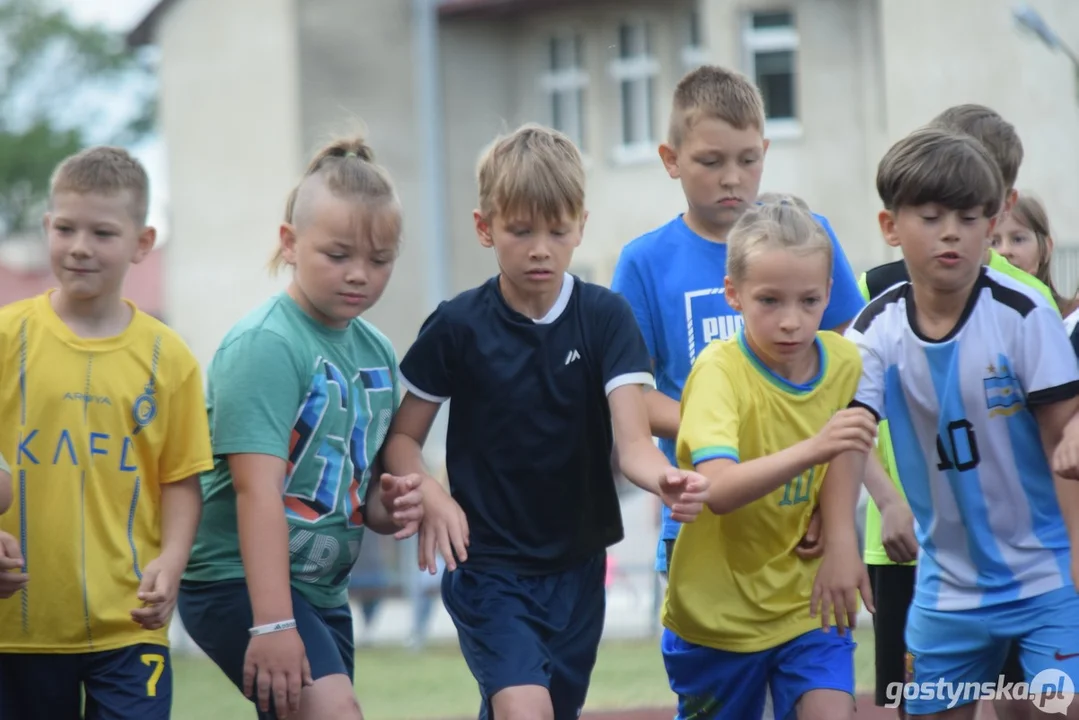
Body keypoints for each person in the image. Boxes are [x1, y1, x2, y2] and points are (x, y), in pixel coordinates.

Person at [381, 123, 708, 720]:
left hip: (578, 569)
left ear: (580, 225)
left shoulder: (605, 318)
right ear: (486, 227)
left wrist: (665, 479)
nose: (541, 249)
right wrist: (431, 494)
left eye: (558, 232)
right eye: (521, 230)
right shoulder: (457, 327)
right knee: (523, 708)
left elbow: (633, 442)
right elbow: (402, 438)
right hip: (488, 567)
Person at [177, 136, 425, 720]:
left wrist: (397, 505)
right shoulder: (267, 344)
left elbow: (364, 502)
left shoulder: (379, 352)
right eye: (337, 255)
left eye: (380, 259)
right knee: (335, 713)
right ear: (289, 243)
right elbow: (256, 492)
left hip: (320, 591)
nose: (359, 275)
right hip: (236, 583)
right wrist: (273, 621)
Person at [848, 126, 1079, 719]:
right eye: (931, 216)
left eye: (971, 218)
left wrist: (1078, 558)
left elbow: (1064, 443)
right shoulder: (875, 331)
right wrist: (882, 505)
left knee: (1058, 709)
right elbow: (845, 438)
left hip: (1045, 579)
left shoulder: (1025, 316)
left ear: (992, 224)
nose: (952, 232)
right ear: (890, 227)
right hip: (945, 588)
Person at [609, 65, 865, 584]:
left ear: (764, 154)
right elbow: (632, 396)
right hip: (703, 518)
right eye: (711, 161)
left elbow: (852, 374)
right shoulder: (644, 262)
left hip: (800, 510)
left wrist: (831, 508)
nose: (732, 177)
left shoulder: (813, 240)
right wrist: (723, 431)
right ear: (671, 159)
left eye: (748, 160)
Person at [0, 146, 214, 720]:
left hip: (128, 625)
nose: (79, 246)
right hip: (16, 629)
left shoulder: (170, 359)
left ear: (142, 243)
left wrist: (171, 561)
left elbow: (181, 479)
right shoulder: (6, 336)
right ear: (47, 227)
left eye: (102, 232)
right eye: (65, 228)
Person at [661, 198, 875, 720]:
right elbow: (719, 489)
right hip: (717, 617)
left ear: (829, 293)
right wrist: (813, 448)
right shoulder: (718, 372)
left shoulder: (846, 361)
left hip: (807, 603)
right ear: (733, 294)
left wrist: (843, 538)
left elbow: (850, 443)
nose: (790, 321)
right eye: (770, 301)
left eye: (808, 301)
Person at [992, 193, 1077, 317]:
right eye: (994, 242)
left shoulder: (1071, 317)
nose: (1004, 251)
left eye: (1018, 239)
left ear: (1046, 248)